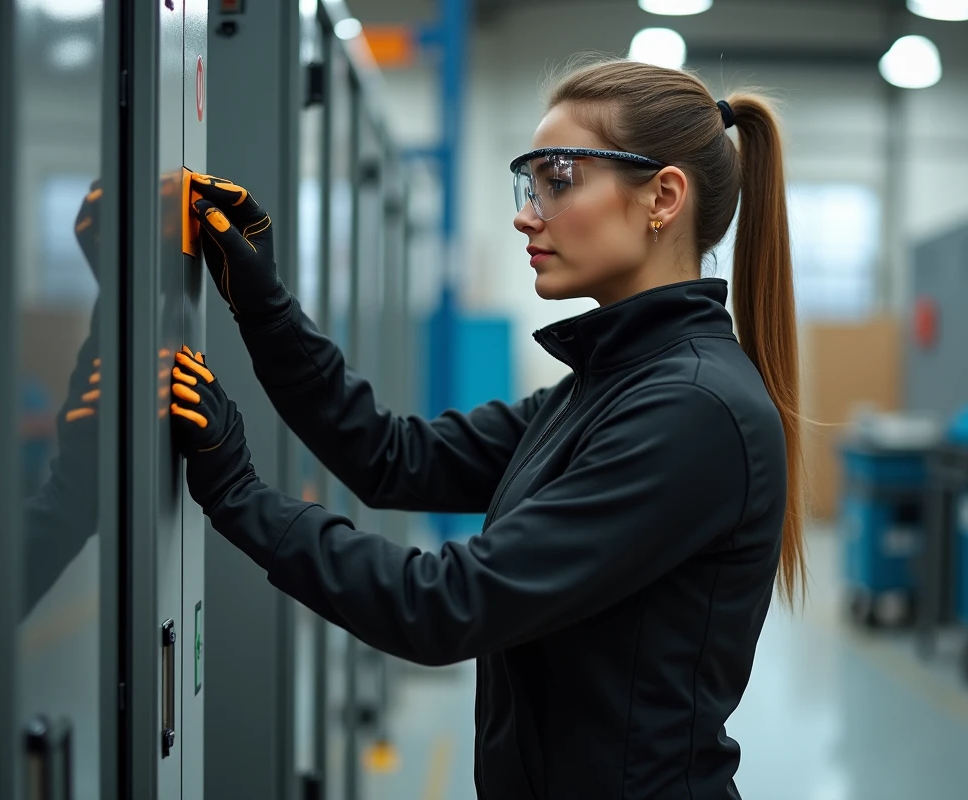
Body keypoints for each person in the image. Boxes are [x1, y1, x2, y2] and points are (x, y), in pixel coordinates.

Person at [172, 58, 804, 799]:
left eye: (558, 181)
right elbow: (392, 456)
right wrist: (263, 305)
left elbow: (445, 606)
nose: (526, 214)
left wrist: (239, 495)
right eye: (528, 185)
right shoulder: (607, 385)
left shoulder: (691, 410)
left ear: (662, 196)